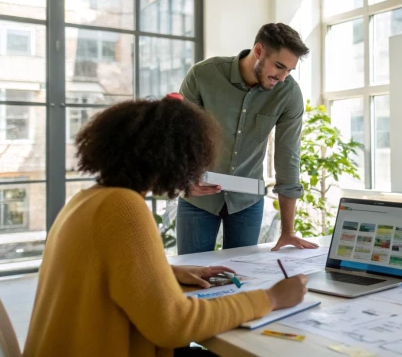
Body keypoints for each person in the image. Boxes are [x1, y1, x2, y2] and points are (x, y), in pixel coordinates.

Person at [23, 97, 309, 357]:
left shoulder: (86, 200)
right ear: (178, 159)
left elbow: (99, 274)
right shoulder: (123, 207)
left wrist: (165, 273)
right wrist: (271, 297)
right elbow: (174, 324)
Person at [177, 23, 317, 254]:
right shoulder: (204, 75)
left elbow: (288, 157)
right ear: (259, 51)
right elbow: (180, 136)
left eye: (289, 71)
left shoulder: (288, 94)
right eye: (279, 66)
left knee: (244, 276)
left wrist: (288, 230)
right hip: (197, 199)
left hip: (247, 202)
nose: (282, 78)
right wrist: (184, 180)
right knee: (190, 277)